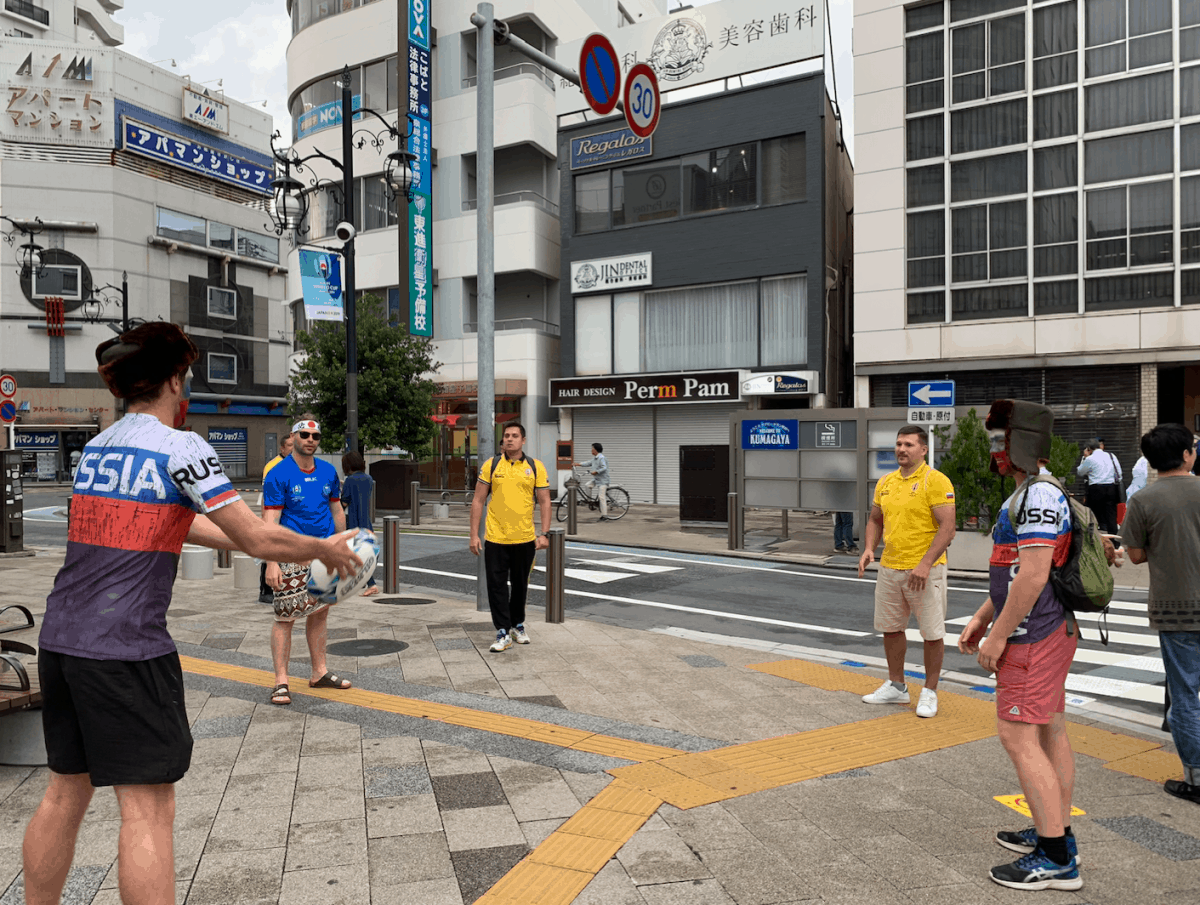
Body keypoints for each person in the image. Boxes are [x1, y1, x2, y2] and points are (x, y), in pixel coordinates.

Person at [23, 324, 360, 905]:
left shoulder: (98, 449)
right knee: (148, 810)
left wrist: (238, 539)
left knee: (63, 794)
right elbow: (259, 539)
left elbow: (170, 519)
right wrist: (323, 548)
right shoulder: (183, 447)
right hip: (126, 648)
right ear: (175, 379)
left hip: (61, 641)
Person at [959, 399, 1092, 892]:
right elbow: (1013, 571)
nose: (995, 449)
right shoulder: (1031, 492)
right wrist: (982, 616)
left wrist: (997, 636)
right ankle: (1053, 830)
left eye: (1001, 439)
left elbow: (1033, 574)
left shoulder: (1036, 495)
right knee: (1049, 731)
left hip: (1032, 636)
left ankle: (1056, 858)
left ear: (1023, 443)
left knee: (1018, 736)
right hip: (1047, 632)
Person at [1119, 424, 1200, 806]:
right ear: (1187, 455)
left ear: (1150, 462)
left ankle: (1196, 778)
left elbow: (1133, 553)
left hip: (1175, 608)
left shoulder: (1144, 500)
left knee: (1184, 694)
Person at [857, 425, 956, 718]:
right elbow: (875, 519)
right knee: (891, 628)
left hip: (925, 570)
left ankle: (930, 691)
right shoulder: (886, 482)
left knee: (932, 633)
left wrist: (924, 564)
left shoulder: (936, 481)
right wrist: (869, 548)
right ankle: (897, 686)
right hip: (890, 567)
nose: (902, 449)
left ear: (923, 450)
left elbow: (948, 528)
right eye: (899, 444)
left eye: (909, 444)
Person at [263, 420, 353, 704]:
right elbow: (270, 521)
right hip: (291, 554)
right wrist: (271, 562)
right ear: (293, 437)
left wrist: (343, 546)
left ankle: (319, 672)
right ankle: (281, 681)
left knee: (320, 612)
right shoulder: (278, 474)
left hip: (325, 553)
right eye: (305, 435)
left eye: (315, 435)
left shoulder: (328, 471)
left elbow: (337, 510)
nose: (311, 439)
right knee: (285, 617)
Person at [469, 422, 551, 652]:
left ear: (523, 440)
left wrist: (544, 533)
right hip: (495, 538)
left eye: (515, 436)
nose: (510, 439)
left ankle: (517, 625)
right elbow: (478, 500)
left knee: (520, 585)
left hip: (525, 538)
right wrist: (474, 535)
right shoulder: (491, 465)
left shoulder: (535, 467)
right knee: (496, 586)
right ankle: (503, 630)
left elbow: (544, 500)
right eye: (506, 436)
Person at [258, 432, 294, 603]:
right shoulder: (272, 466)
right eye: (290, 446)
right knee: (271, 549)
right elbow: (267, 495)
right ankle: (265, 590)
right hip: (275, 513)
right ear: (282, 448)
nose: (293, 449)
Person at [341, 450, 379, 596]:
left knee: (355, 556)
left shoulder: (350, 480)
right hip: (366, 522)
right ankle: (363, 582)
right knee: (364, 554)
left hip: (354, 522)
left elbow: (345, 502)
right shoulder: (368, 479)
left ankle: (371, 584)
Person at [1077, 438, 1121, 534]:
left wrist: (1084, 458)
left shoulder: (1090, 459)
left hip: (1096, 489)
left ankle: (1095, 539)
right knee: (1111, 516)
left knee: (1092, 515)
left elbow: (1080, 472)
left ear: (1089, 449)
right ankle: (1114, 542)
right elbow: (1119, 473)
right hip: (1111, 488)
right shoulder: (1111, 455)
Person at [575, 442, 611, 520]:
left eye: (592, 448)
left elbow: (604, 467)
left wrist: (596, 471)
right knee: (587, 485)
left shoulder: (602, 458)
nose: (591, 450)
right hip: (596, 479)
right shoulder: (595, 458)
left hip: (603, 480)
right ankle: (590, 501)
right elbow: (588, 463)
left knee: (601, 497)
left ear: (596, 450)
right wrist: (578, 464)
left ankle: (604, 515)